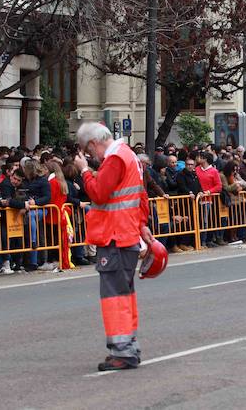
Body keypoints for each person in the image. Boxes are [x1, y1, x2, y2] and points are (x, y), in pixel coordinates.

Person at [73, 122, 154, 372]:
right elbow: (141, 195)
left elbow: (99, 193)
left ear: (93, 143)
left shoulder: (115, 158)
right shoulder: (129, 155)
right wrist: (142, 225)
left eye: (89, 152)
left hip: (114, 236)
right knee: (125, 295)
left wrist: (85, 171)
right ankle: (128, 346)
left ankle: (122, 351)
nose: (91, 157)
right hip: (126, 234)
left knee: (114, 297)